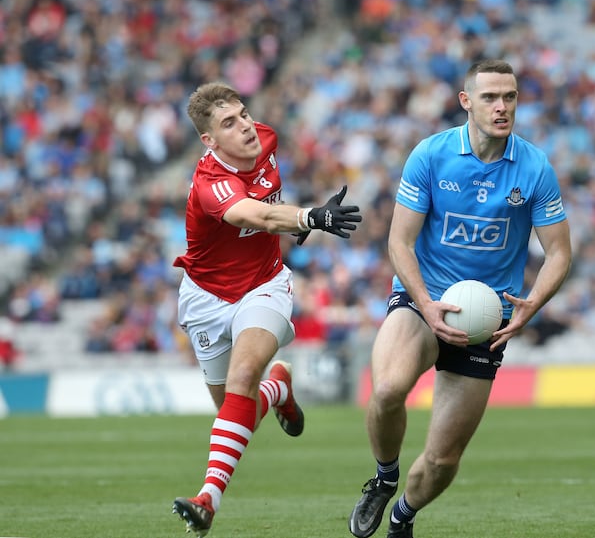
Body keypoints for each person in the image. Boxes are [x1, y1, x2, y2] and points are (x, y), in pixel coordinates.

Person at [348, 59, 572, 538]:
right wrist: (426, 305)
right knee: (387, 390)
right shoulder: (431, 155)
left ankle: (403, 514)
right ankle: (385, 477)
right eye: (490, 97)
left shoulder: (534, 167)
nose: (502, 107)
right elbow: (399, 242)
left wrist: (532, 303)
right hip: (423, 301)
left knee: (444, 458)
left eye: (509, 97)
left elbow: (559, 253)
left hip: (488, 320)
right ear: (466, 102)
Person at [171, 82, 362, 537]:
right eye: (229, 124)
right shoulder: (209, 183)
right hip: (205, 298)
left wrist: (296, 221)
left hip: (265, 285)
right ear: (209, 141)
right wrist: (309, 218)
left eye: (243, 114)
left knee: (240, 383)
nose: (245, 127)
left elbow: (269, 204)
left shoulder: (265, 137)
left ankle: (207, 500)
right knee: (236, 409)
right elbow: (254, 215)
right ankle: (277, 388)